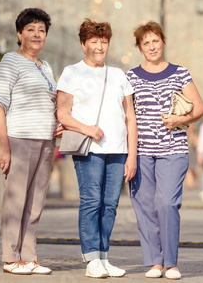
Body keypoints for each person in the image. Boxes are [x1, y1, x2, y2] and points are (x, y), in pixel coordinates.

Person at [57, 19, 138, 279]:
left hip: (118, 149)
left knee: (111, 205)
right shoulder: (71, 72)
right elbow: (63, 114)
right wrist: (89, 129)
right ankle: (91, 258)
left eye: (104, 41)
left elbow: (130, 117)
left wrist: (132, 155)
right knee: (91, 202)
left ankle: (104, 257)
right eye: (94, 41)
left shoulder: (118, 75)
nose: (99, 46)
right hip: (89, 149)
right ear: (83, 44)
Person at [125, 21, 203, 280]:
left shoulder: (180, 73)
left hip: (173, 149)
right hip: (141, 152)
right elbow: (126, 116)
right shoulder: (130, 77)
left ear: (163, 42)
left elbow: (199, 108)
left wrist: (179, 120)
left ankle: (171, 262)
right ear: (140, 47)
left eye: (155, 41)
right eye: (145, 43)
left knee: (167, 203)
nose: (151, 47)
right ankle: (154, 262)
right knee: (145, 206)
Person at [0, 8, 62, 275]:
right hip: (19, 139)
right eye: (30, 29)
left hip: (45, 142)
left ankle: (29, 256)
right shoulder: (10, 61)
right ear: (19, 33)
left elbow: (52, 103)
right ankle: (11, 258)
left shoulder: (46, 66)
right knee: (16, 200)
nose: (36, 34)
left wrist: (60, 122)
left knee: (35, 201)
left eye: (41, 30)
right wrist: (3, 145)